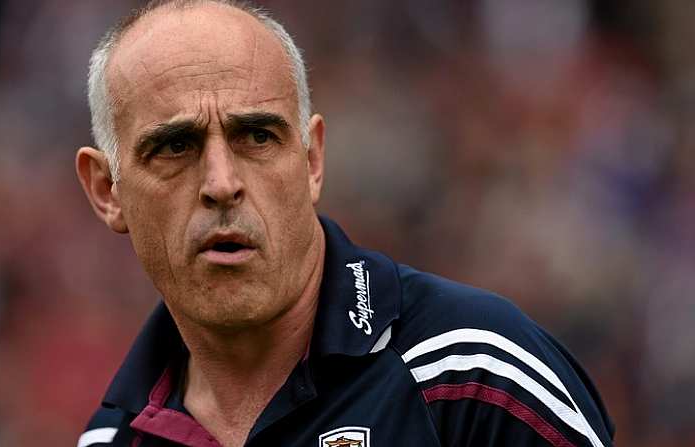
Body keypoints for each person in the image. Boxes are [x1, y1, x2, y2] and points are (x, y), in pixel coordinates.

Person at [75, 1, 615, 446]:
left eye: (258, 137)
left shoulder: (476, 374)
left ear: (312, 162)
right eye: (175, 145)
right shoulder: (111, 440)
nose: (221, 183)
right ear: (107, 190)